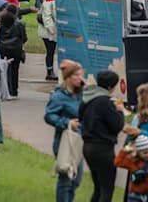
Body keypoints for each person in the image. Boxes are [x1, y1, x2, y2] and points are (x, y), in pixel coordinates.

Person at [79, 70, 129, 202]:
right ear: (110, 87)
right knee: (107, 188)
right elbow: (117, 125)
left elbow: (80, 116)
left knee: (98, 187)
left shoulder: (87, 99)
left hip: (88, 146)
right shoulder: (105, 103)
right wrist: (120, 112)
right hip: (103, 149)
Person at [45, 60, 85, 202]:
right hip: (64, 141)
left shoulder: (81, 95)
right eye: (77, 75)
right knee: (66, 179)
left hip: (79, 141)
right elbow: (49, 116)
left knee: (76, 179)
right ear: (68, 77)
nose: (81, 79)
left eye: (81, 75)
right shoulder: (59, 96)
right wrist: (66, 122)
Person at [115, 135, 148, 202]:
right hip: (135, 195)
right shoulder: (132, 161)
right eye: (145, 153)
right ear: (138, 152)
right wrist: (125, 149)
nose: (147, 154)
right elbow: (117, 162)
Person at [0, 4, 28, 98]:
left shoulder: (1, 22)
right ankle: (13, 90)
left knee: (4, 69)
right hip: (16, 48)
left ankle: (4, 89)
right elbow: (24, 38)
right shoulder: (20, 24)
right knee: (15, 70)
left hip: (3, 47)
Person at [39, 0, 59, 81]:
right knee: (50, 51)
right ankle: (50, 72)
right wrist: (51, 29)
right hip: (48, 32)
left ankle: (51, 71)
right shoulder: (48, 1)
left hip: (54, 31)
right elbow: (46, 16)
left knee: (52, 51)